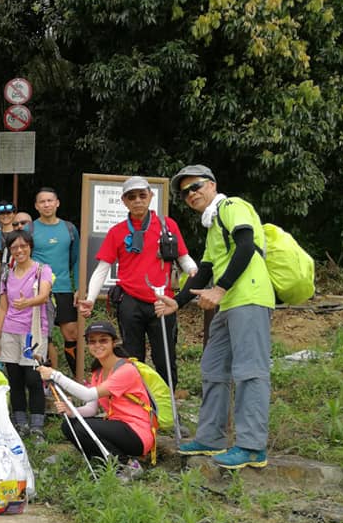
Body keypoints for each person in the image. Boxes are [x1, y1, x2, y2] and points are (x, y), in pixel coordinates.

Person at [155, 164, 273, 470]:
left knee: (250, 371)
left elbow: (246, 246)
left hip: (248, 297)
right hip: (228, 303)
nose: (190, 195)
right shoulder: (212, 226)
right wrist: (177, 302)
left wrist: (219, 290)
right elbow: (204, 269)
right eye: (184, 193)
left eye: (195, 187)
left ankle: (251, 447)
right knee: (213, 367)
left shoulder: (232, 206)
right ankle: (211, 438)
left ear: (212, 185)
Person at [78, 176, 197, 387]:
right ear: (124, 201)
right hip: (130, 301)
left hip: (162, 302)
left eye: (142, 195)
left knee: (165, 358)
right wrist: (90, 299)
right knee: (133, 358)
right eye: (131, 197)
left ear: (151, 196)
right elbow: (102, 267)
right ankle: (137, 405)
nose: (138, 200)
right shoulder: (117, 231)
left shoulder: (167, 225)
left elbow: (183, 257)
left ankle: (167, 407)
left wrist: (197, 275)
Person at [38, 321, 152, 482]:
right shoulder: (98, 373)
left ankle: (127, 465)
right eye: (92, 341)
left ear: (114, 342)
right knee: (69, 425)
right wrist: (72, 412)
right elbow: (91, 409)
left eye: (103, 340)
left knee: (85, 428)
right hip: (117, 426)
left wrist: (55, 375)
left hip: (137, 432)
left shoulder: (126, 370)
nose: (97, 345)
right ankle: (105, 464)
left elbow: (87, 394)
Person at [0, 230, 54, 439]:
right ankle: (20, 423)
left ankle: (37, 424)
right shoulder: (7, 274)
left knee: (33, 378)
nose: (19, 250)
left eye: (23, 246)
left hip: (34, 331)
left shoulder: (42, 270)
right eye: (14, 247)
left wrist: (27, 302)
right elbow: (3, 308)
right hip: (10, 330)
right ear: (10, 250)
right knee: (15, 378)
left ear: (30, 247)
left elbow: (44, 296)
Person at [31, 188, 80, 374]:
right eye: (42, 201)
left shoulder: (69, 228)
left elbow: (77, 260)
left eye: (50, 200)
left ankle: (78, 377)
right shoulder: (31, 229)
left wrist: (79, 287)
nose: (46, 204)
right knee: (44, 337)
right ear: (36, 206)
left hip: (64, 289)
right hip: (39, 291)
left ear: (57, 203)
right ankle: (47, 380)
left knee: (72, 333)